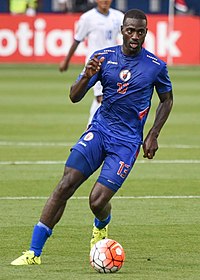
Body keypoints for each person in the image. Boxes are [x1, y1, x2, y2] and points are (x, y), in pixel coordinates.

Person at [11, 8, 173, 265]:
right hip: (99, 131)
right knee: (65, 184)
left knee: (96, 201)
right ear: (122, 30)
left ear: (146, 33)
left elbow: (167, 99)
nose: (135, 36)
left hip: (126, 142)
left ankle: (101, 224)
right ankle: (34, 252)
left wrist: (153, 134)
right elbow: (74, 96)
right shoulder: (102, 58)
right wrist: (86, 76)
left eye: (140, 32)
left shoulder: (155, 66)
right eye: (130, 30)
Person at [59, 0, 124, 125]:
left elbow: (128, 34)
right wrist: (66, 61)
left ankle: (91, 128)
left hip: (113, 64)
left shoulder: (118, 16)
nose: (105, 1)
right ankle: (95, 129)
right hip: (95, 65)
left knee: (104, 98)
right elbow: (77, 40)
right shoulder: (87, 18)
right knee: (101, 98)